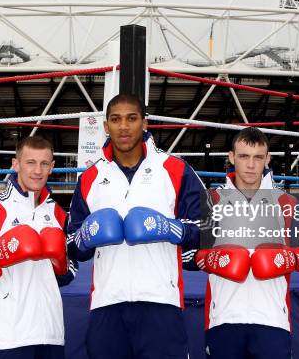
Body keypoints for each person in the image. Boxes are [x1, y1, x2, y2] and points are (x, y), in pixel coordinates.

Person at [66, 93, 205, 359]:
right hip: (107, 302)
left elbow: (209, 228)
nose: (124, 127)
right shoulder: (90, 178)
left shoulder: (174, 169)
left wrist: (170, 228)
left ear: (144, 123)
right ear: (106, 126)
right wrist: (85, 236)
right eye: (116, 120)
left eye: (131, 118)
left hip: (161, 300)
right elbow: (73, 245)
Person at [195, 127, 299, 359]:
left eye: (258, 157)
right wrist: (207, 258)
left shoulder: (286, 203)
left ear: (267, 159)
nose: (251, 165)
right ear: (231, 157)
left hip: (273, 320)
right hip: (222, 318)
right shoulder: (212, 202)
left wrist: (293, 258)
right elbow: (186, 252)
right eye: (244, 156)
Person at [0, 136, 77, 359]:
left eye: (44, 163)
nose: (37, 170)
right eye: (30, 162)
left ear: (52, 167)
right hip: (7, 336)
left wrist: (61, 265)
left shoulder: (59, 214)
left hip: (51, 332)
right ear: (16, 164)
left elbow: (72, 270)